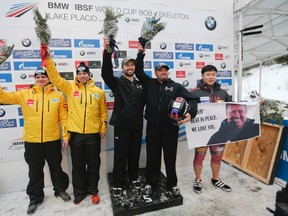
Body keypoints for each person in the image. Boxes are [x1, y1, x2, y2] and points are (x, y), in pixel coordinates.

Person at [0, 69, 70, 214]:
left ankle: (60, 190)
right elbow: (3, 97)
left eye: (43, 76)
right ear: (34, 79)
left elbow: (64, 117)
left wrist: (66, 135)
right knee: (35, 171)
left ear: (48, 78)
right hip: (32, 141)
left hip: (52, 140)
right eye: (37, 77)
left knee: (56, 168)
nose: (40, 79)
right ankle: (35, 197)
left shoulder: (58, 96)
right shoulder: (24, 94)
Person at [45, 51, 108, 205]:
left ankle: (92, 190)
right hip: (76, 135)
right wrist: (48, 59)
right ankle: (79, 192)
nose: (82, 75)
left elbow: (103, 112)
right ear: (76, 75)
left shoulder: (98, 92)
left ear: (89, 75)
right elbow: (54, 78)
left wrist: (102, 129)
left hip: (93, 134)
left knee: (94, 164)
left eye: (84, 73)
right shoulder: (69, 88)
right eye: (79, 73)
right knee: (78, 165)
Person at [135, 45, 198, 196]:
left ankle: (172, 184)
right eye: (160, 70)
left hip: (171, 128)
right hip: (153, 128)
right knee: (153, 157)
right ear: (155, 72)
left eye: (165, 70)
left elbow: (192, 99)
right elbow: (138, 71)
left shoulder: (175, 86)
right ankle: (151, 182)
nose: (163, 72)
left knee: (170, 158)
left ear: (167, 72)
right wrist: (140, 53)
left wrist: (191, 113)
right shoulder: (149, 83)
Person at [101, 37, 146, 197]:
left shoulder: (141, 84)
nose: (130, 67)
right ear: (122, 67)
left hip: (137, 125)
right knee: (120, 155)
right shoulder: (117, 82)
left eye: (132, 65)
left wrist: (141, 54)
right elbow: (105, 72)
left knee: (134, 153)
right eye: (127, 65)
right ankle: (118, 181)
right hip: (122, 125)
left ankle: (133, 176)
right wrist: (107, 52)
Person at [190, 65, 233, 194]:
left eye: (213, 74)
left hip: (219, 134)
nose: (211, 77)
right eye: (208, 74)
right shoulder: (194, 92)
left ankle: (216, 179)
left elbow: (233, 107)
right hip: (202, 134)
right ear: (202, 76)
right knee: (199, 157)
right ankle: (198, 179)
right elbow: (189, 109)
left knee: (217, 157)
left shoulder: (223, 93)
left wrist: (253, 105)